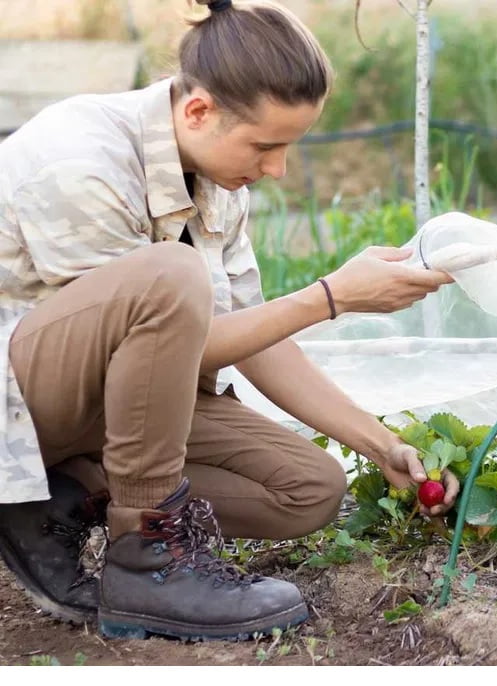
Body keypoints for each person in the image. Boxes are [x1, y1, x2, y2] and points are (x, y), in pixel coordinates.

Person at [0, 0, 458, 641]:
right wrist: (333, 296)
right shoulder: (79, 155)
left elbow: (250, 337)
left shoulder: (215, 177)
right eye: (266, 146)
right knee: (171, 274)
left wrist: (381, 444)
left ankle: (59, 498)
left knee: (310, 488)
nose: (276, 170)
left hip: (96, 409)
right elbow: (145, 330)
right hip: (18, 404)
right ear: (198, 111)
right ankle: (146, 556)